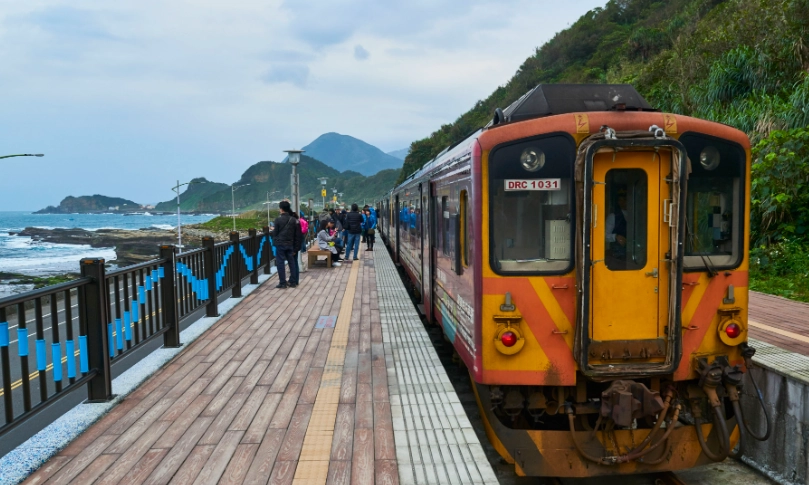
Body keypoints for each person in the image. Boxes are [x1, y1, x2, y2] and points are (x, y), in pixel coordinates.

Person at [271, 200, 301, 289]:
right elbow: (297, 234)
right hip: (290, 244)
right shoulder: (294, 220)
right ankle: (293, 282)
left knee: (280, 263)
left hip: (280, 244)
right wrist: (296, 247)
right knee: (292, 263)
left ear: (281, 209)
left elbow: (275, 233)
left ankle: (282, 283)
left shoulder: (278, 220)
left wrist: (275, 238)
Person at [605, 191, 628, 261]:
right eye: (620, 200)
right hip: (617, 255)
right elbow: (605, 235)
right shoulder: (613, 216)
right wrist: (615, 237)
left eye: (625, 199)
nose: (623, 202)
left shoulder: (638, 215)